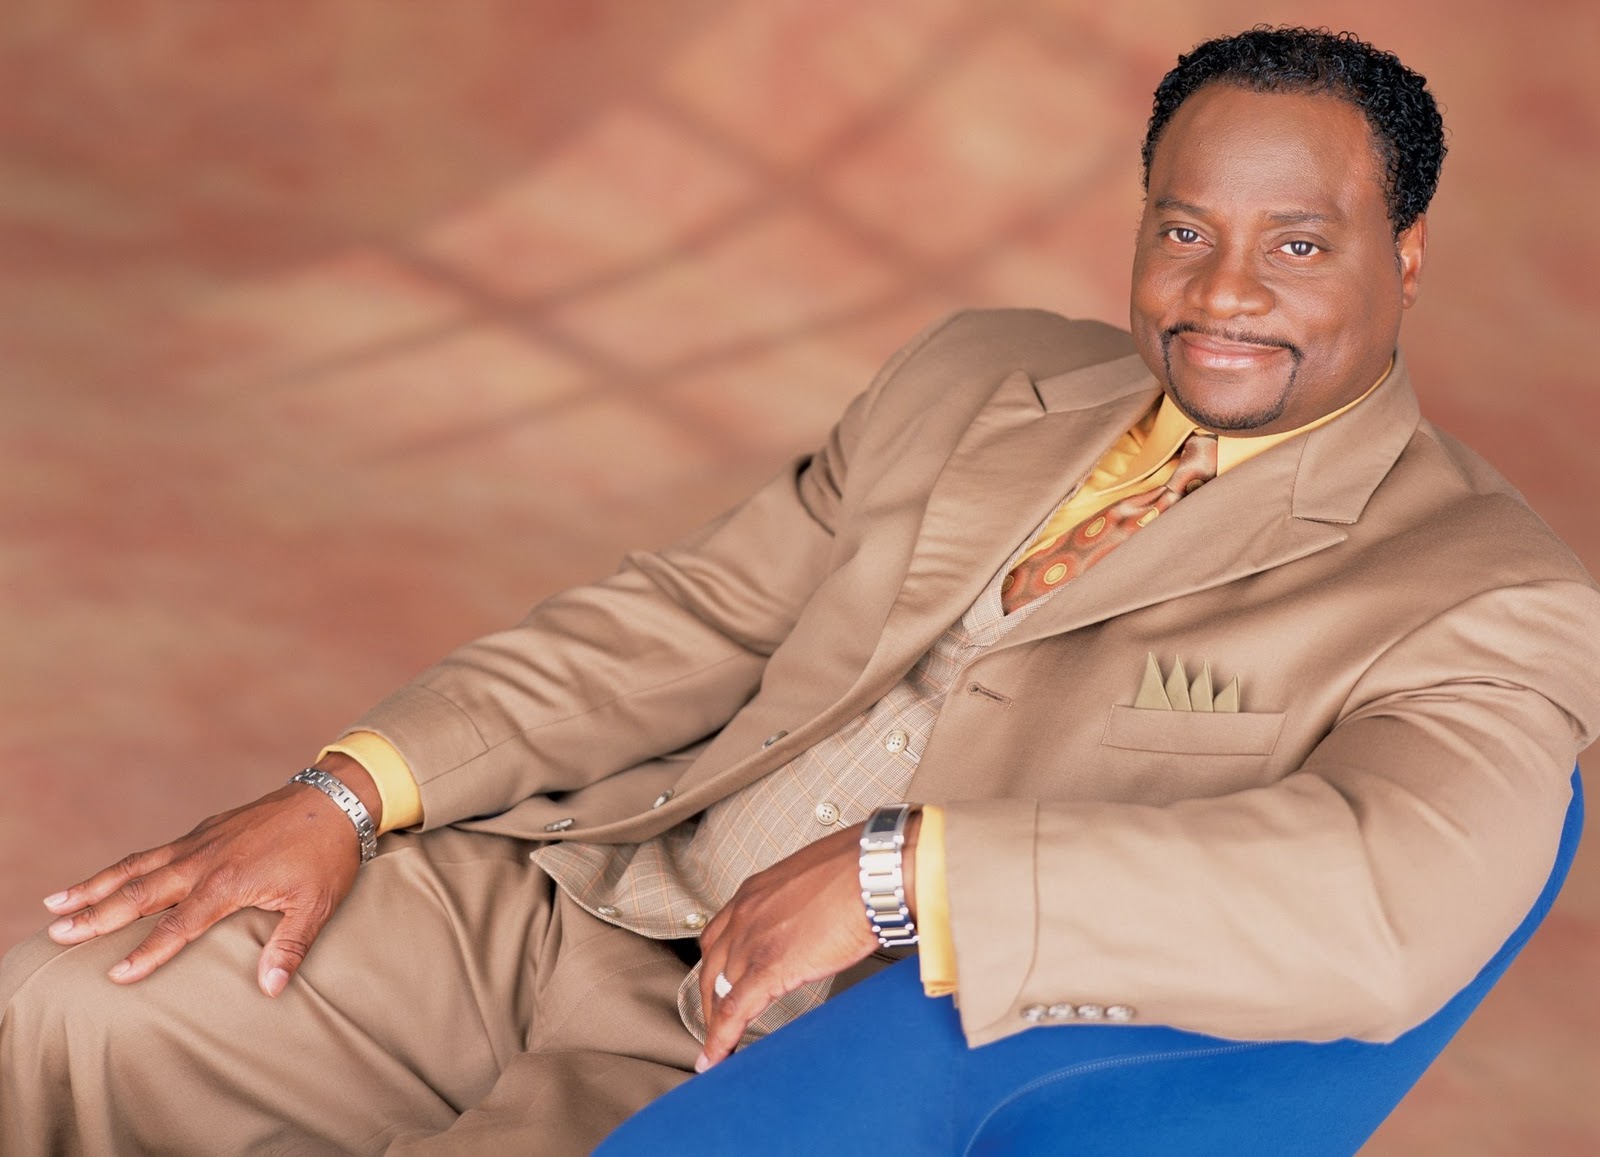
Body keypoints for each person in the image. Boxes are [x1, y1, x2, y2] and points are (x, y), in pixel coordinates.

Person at [4, 25, 1598, 1157]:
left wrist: (913, 877)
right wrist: (348, 789)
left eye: (1298, 246)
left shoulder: (1485, 591)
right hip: (577, 895)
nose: (1222, 291)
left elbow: (1389, 902)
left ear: (1406, 254)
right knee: (66, 1008)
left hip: (782, 1056)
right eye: (1184, 230)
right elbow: (688, 618)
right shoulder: (982, 371)